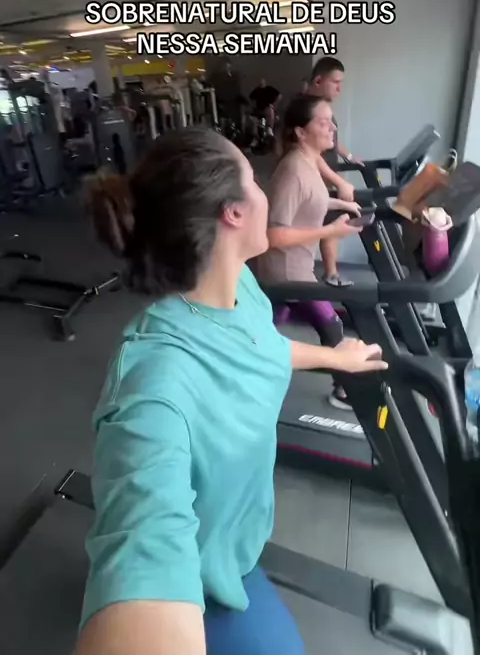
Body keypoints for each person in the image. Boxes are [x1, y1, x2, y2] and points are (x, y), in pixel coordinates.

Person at [75, 127, 387, 655]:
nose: (265, 191)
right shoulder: (152, 391)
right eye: (255, 181)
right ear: (234, 212)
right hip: (199, 576)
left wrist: (337, 357)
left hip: (236, 543)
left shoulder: (239, 285)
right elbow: (144, 537)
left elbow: (259, 346)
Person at [257, 94, 364, 409]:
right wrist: (330, 232)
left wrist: (341, 203)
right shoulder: (293, 170)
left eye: (332, 121)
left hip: (295, 267)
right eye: (323, 122)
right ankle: (345, 390)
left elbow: (312, 199)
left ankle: (242, 370)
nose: (332, 128)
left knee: (267, 325)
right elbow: (273, 235)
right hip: (287, 272)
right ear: (301, 132)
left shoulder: (307, 161)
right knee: (330, 324)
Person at [306, 57, 363, 287]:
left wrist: (349, 156)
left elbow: (332, 139)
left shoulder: (323, 109)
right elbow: (310, 154)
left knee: (333, 222)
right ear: (318, 80)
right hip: (313, 180)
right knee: (326, 224)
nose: (340, 89)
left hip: (326, 178)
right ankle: (321, 276)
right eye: (335, 82)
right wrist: (338, 181)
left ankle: (330, 273)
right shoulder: (307, 111)